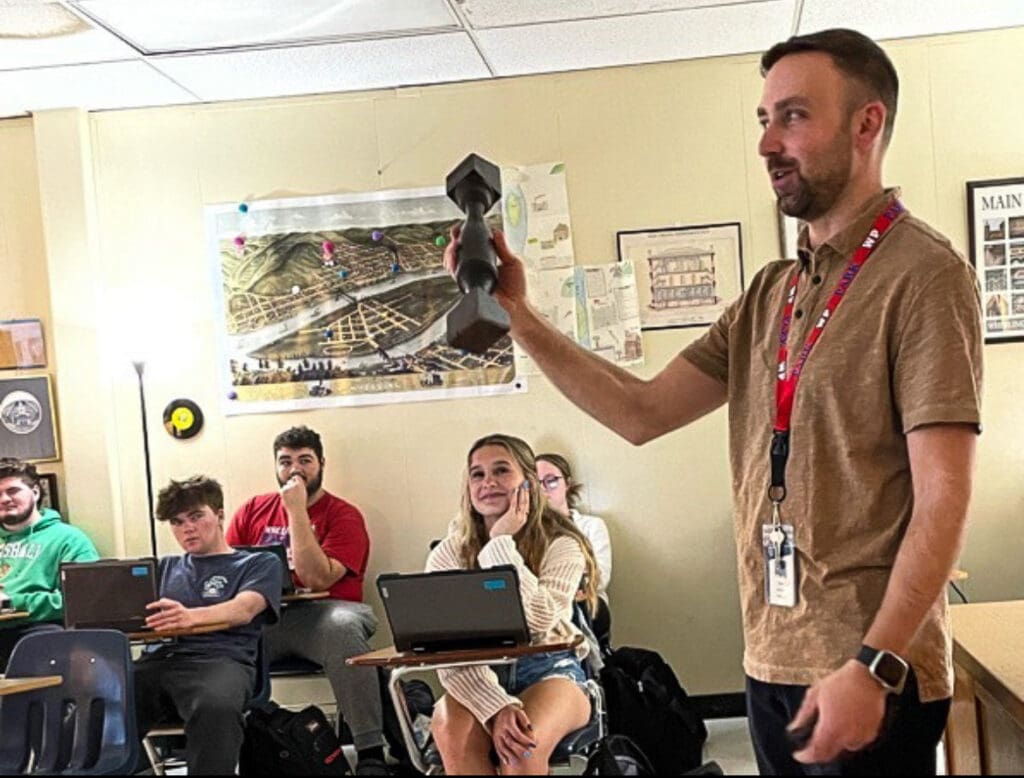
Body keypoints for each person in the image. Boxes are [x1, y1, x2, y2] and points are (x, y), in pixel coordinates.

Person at [444, 29, 982, 776]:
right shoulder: (772, 292)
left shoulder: (924, 277)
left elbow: (944, 498)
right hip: (771, 656)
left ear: (868, 124)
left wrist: (877, 663)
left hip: (869, 671)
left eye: (793, 116)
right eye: (763, 120)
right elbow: (640, 412)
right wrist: (521, 317)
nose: (768, 143)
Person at [427, 433, 601, 776]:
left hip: (550, 671)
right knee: (451, 732)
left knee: (521, 751)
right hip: (473, 673)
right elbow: (443, 649)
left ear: (529, 484)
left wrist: (500, 545)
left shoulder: (562, 545)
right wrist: (496, 706)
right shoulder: (449, 552)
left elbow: (539, 622)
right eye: (477, 474)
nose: (488, 482)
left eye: (501, 471)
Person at [227, 426, 389, 776]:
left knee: (341, 628)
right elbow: (226, 570)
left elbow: (317, 578)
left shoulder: (344, 515)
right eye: (285, 462)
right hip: (267, 617)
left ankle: (370, 750)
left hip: (326, 614)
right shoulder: (252, 510)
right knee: (220, 642)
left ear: (322, 464)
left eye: (305, 461)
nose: (295, 469)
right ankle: (245, 746)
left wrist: (296, 512)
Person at [134, 476, 281, 776]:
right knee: (103, 700)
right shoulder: (162, 568)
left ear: (220, 514)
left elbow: (244, 609)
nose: (186, 528)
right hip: (159, 660)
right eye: (176, 522)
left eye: (196, 516)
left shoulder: (258, 563)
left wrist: (189, 617)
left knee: (215, 707)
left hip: (221, 661)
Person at [0, 457, 99, 667]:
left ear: (35, 492)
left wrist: (13, 602)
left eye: (13, 491)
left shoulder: (69, 539)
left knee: (46, 643)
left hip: (38, 629)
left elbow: (85, 601)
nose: (4, 499)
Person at [535, 452, 613, 646]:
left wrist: (575, 589)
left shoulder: (591, 526)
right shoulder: (530, 532)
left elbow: (600, 577)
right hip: (545, 604)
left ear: (567, 483)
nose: (544, 490)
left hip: (585, 602)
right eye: (537, 483)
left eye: (551, 481)